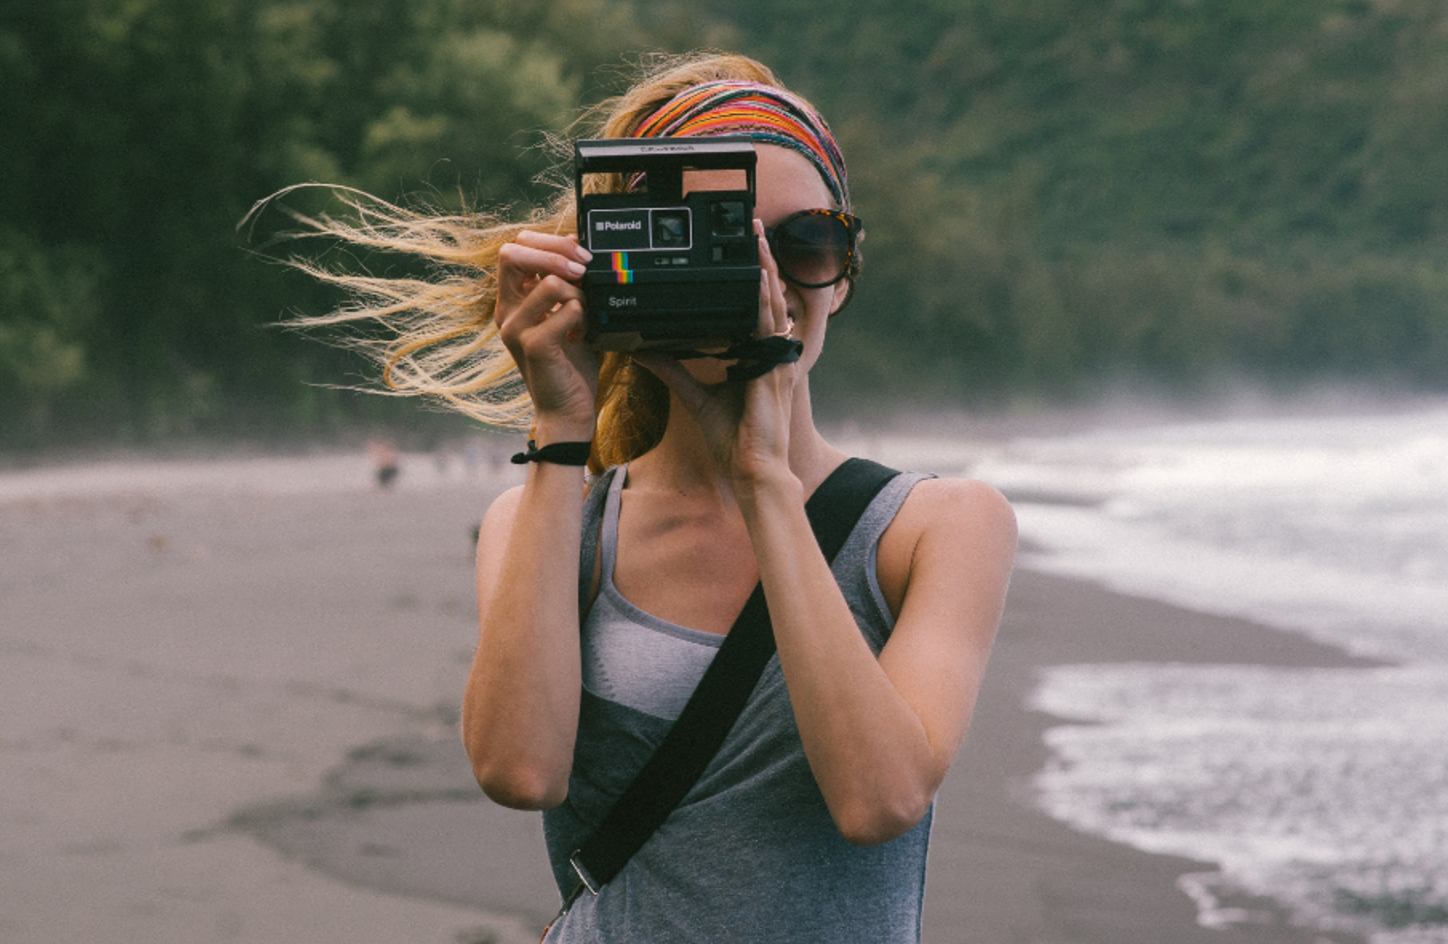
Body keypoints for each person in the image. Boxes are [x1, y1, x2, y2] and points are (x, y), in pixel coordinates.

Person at [294, 52, 1017, 941]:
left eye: (806, 244)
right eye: (720, 239)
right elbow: (519, 771)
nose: (766, 281)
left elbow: (880, 799)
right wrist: (562, 424)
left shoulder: (937, 527)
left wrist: (764, 484)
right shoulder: (547, 522)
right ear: (628, 256)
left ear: (846, 273)